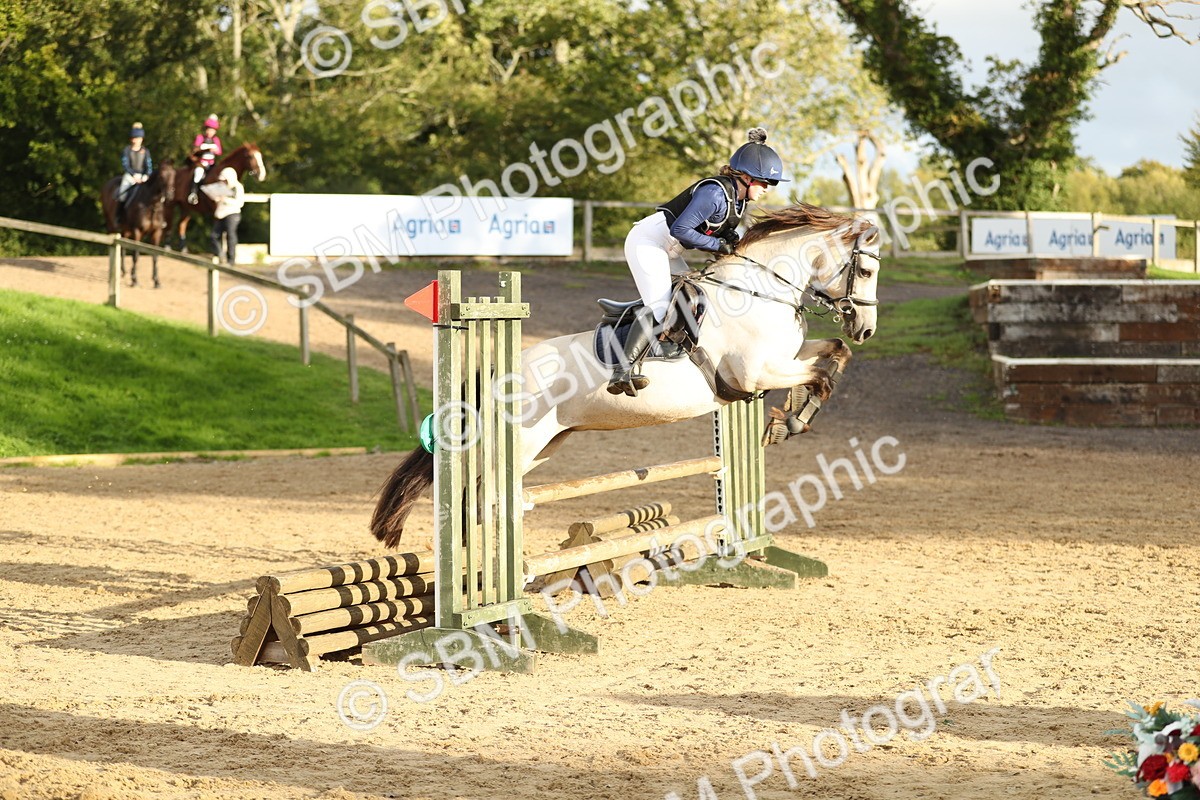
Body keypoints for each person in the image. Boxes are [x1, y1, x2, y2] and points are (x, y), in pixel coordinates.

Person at [608, 127, 789, 397]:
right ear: (747, 177)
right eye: (764, 183)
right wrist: (717, 245)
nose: (767, 189)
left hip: (668, 249)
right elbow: (680, 230)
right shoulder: (715, 193)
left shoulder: (738, 201)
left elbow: (721, 232)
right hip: (648, 242)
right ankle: (621, 371)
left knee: (692, 296)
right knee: (660, 306)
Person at [117, 123, 153, 225]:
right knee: (122, 195)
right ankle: (119, 216)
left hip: (143, 177)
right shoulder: (127, 150)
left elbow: (149, 166)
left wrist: (146, 176)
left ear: (141, 139)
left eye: (138, 138)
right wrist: (133, 176)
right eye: (134, 138)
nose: (135, 140)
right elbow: (126, 165)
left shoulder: (146, 151)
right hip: (130, 176)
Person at [210, 167, 244, 265]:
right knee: (214, 236)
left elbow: (239, 203)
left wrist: (224, 199)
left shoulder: (237, 187)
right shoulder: (220, 187)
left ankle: (231, 260)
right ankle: (220, 255)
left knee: (231, 235)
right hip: (220, 214)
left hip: (232, 213)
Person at [188, 114, 223, 204]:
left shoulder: (216, 140)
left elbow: (219, 151)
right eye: (209, 130)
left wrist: (214, 150)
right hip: (201, 163)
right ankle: (193, 193)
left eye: (212, 130)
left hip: (212, 164)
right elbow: (195, 150)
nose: (210, 132)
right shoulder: (200, 138)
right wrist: (205, 149)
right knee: (198, 174)